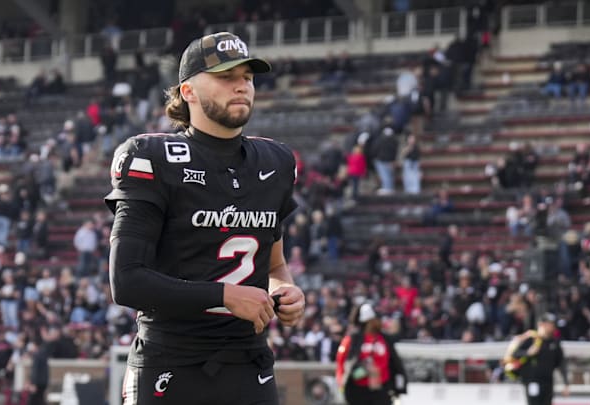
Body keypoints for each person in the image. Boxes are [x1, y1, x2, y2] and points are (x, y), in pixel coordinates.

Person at [104, 31, 305, 405]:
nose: (241, 86)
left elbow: (275, 266)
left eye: (246, 77)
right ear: (188, 91)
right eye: (225, 77)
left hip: (249, 364)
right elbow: (126, 281)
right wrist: (224, 295)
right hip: (171, 362)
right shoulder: (153, 158)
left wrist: (284, 292)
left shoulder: (275, 162)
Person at [336, 303, 407, 405]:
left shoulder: (385, 339)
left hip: (382, 390)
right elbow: (342, 362)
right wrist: (341, 383)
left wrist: (399, 387)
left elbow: (395, 363)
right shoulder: (352, 340)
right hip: (358, 391)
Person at [503, 313, 570, 405]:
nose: (552, 327)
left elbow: (561, 363)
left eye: (553, 324)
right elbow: (514, 354)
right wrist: (528, 353)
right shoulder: (531, 338)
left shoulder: (555, 342)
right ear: (541, 324)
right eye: (549, 324)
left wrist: (566, 383)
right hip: (532, 380)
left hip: (548, 383)